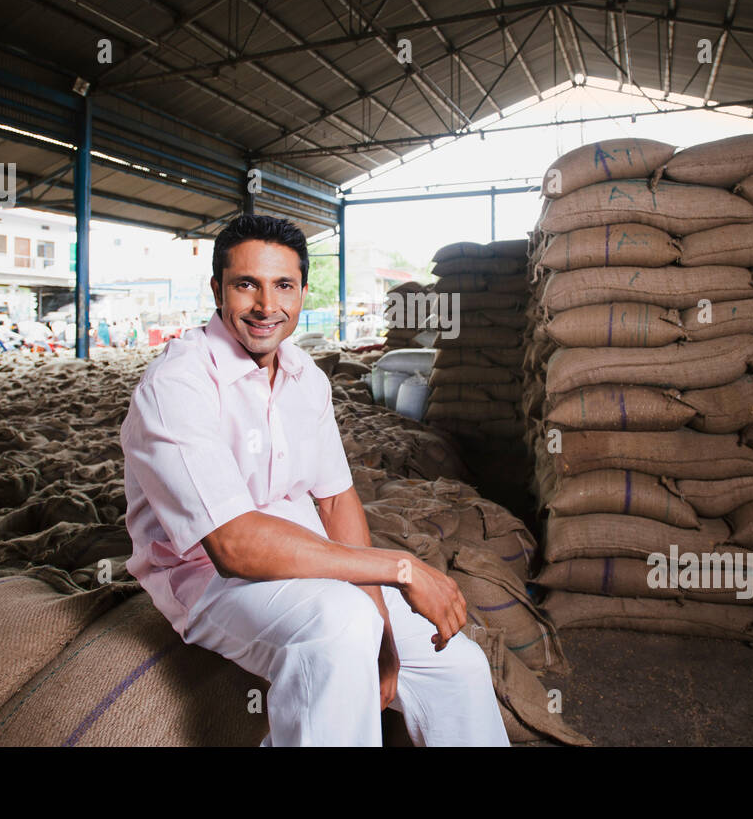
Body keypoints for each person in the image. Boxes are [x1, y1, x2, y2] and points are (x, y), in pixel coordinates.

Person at [121, 214, 507, 747]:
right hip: (209, 582)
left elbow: (334, 500)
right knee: (341, 625)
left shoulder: (307, 377)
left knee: (458, 666)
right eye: (246, 285)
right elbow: (233, 547)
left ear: (303, 290)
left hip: (312, 561)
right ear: (217, 290)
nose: (266, 305)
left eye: (283, 285)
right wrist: (401, 569)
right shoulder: (177, 383)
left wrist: (385, 624)